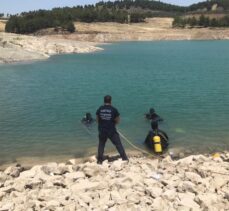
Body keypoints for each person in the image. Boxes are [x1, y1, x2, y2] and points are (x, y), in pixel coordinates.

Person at [96, 95, 128, 164]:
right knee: (118, 144)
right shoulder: (114, 109)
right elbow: (117, 120)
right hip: (111, 131)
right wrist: (112, 124)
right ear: (111, 101)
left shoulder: (100, 109)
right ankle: (124, 158)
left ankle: (99, 160)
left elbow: (97, 119)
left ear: (104, 101)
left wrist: (102, 124)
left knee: (101, 145)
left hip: (102, 130)